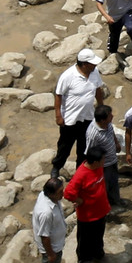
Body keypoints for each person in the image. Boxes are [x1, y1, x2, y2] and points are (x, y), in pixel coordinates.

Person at [52, 49, 106, 178]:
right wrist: (58, 115)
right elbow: (58, 95)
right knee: (64, 148)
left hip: (87, 118)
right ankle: (56, 167)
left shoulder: (94, 72)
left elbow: (98, 90)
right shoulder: (68, 76)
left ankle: (80, 173)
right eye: (92, 64)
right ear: (84, 64)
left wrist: (101, 107)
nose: (95, 66)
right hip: (70, 119)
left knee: (84, 149)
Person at [64, 146, 111, 263]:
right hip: (88, 215)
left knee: (98, 235)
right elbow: (68, 193)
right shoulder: (81, 175)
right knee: (85, 239)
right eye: (103, 159)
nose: (104, 161)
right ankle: (84, 262)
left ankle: (98, 255)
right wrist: (79, 200)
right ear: (95, 162)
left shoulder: (99, 167)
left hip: (101, 209)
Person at [33, 177, 68, 263]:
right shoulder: (46, 212)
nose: (63, 194)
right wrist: (51, 253)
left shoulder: (47, 197)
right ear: (51, 194)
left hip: (54, 243)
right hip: (52, 246)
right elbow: (44, 236)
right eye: (60, 192)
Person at [84, 104, 122, 206]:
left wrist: (116, 143)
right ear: (102, 120)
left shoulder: (107, 124)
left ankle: (116, 200)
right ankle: (107, 206)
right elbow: (90, 152)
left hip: (112, 160)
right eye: (110, 115)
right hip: (103, 165)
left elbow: (111, 132)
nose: (112, 116)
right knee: (105, 186)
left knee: (114, 181)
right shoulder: (93, 134)